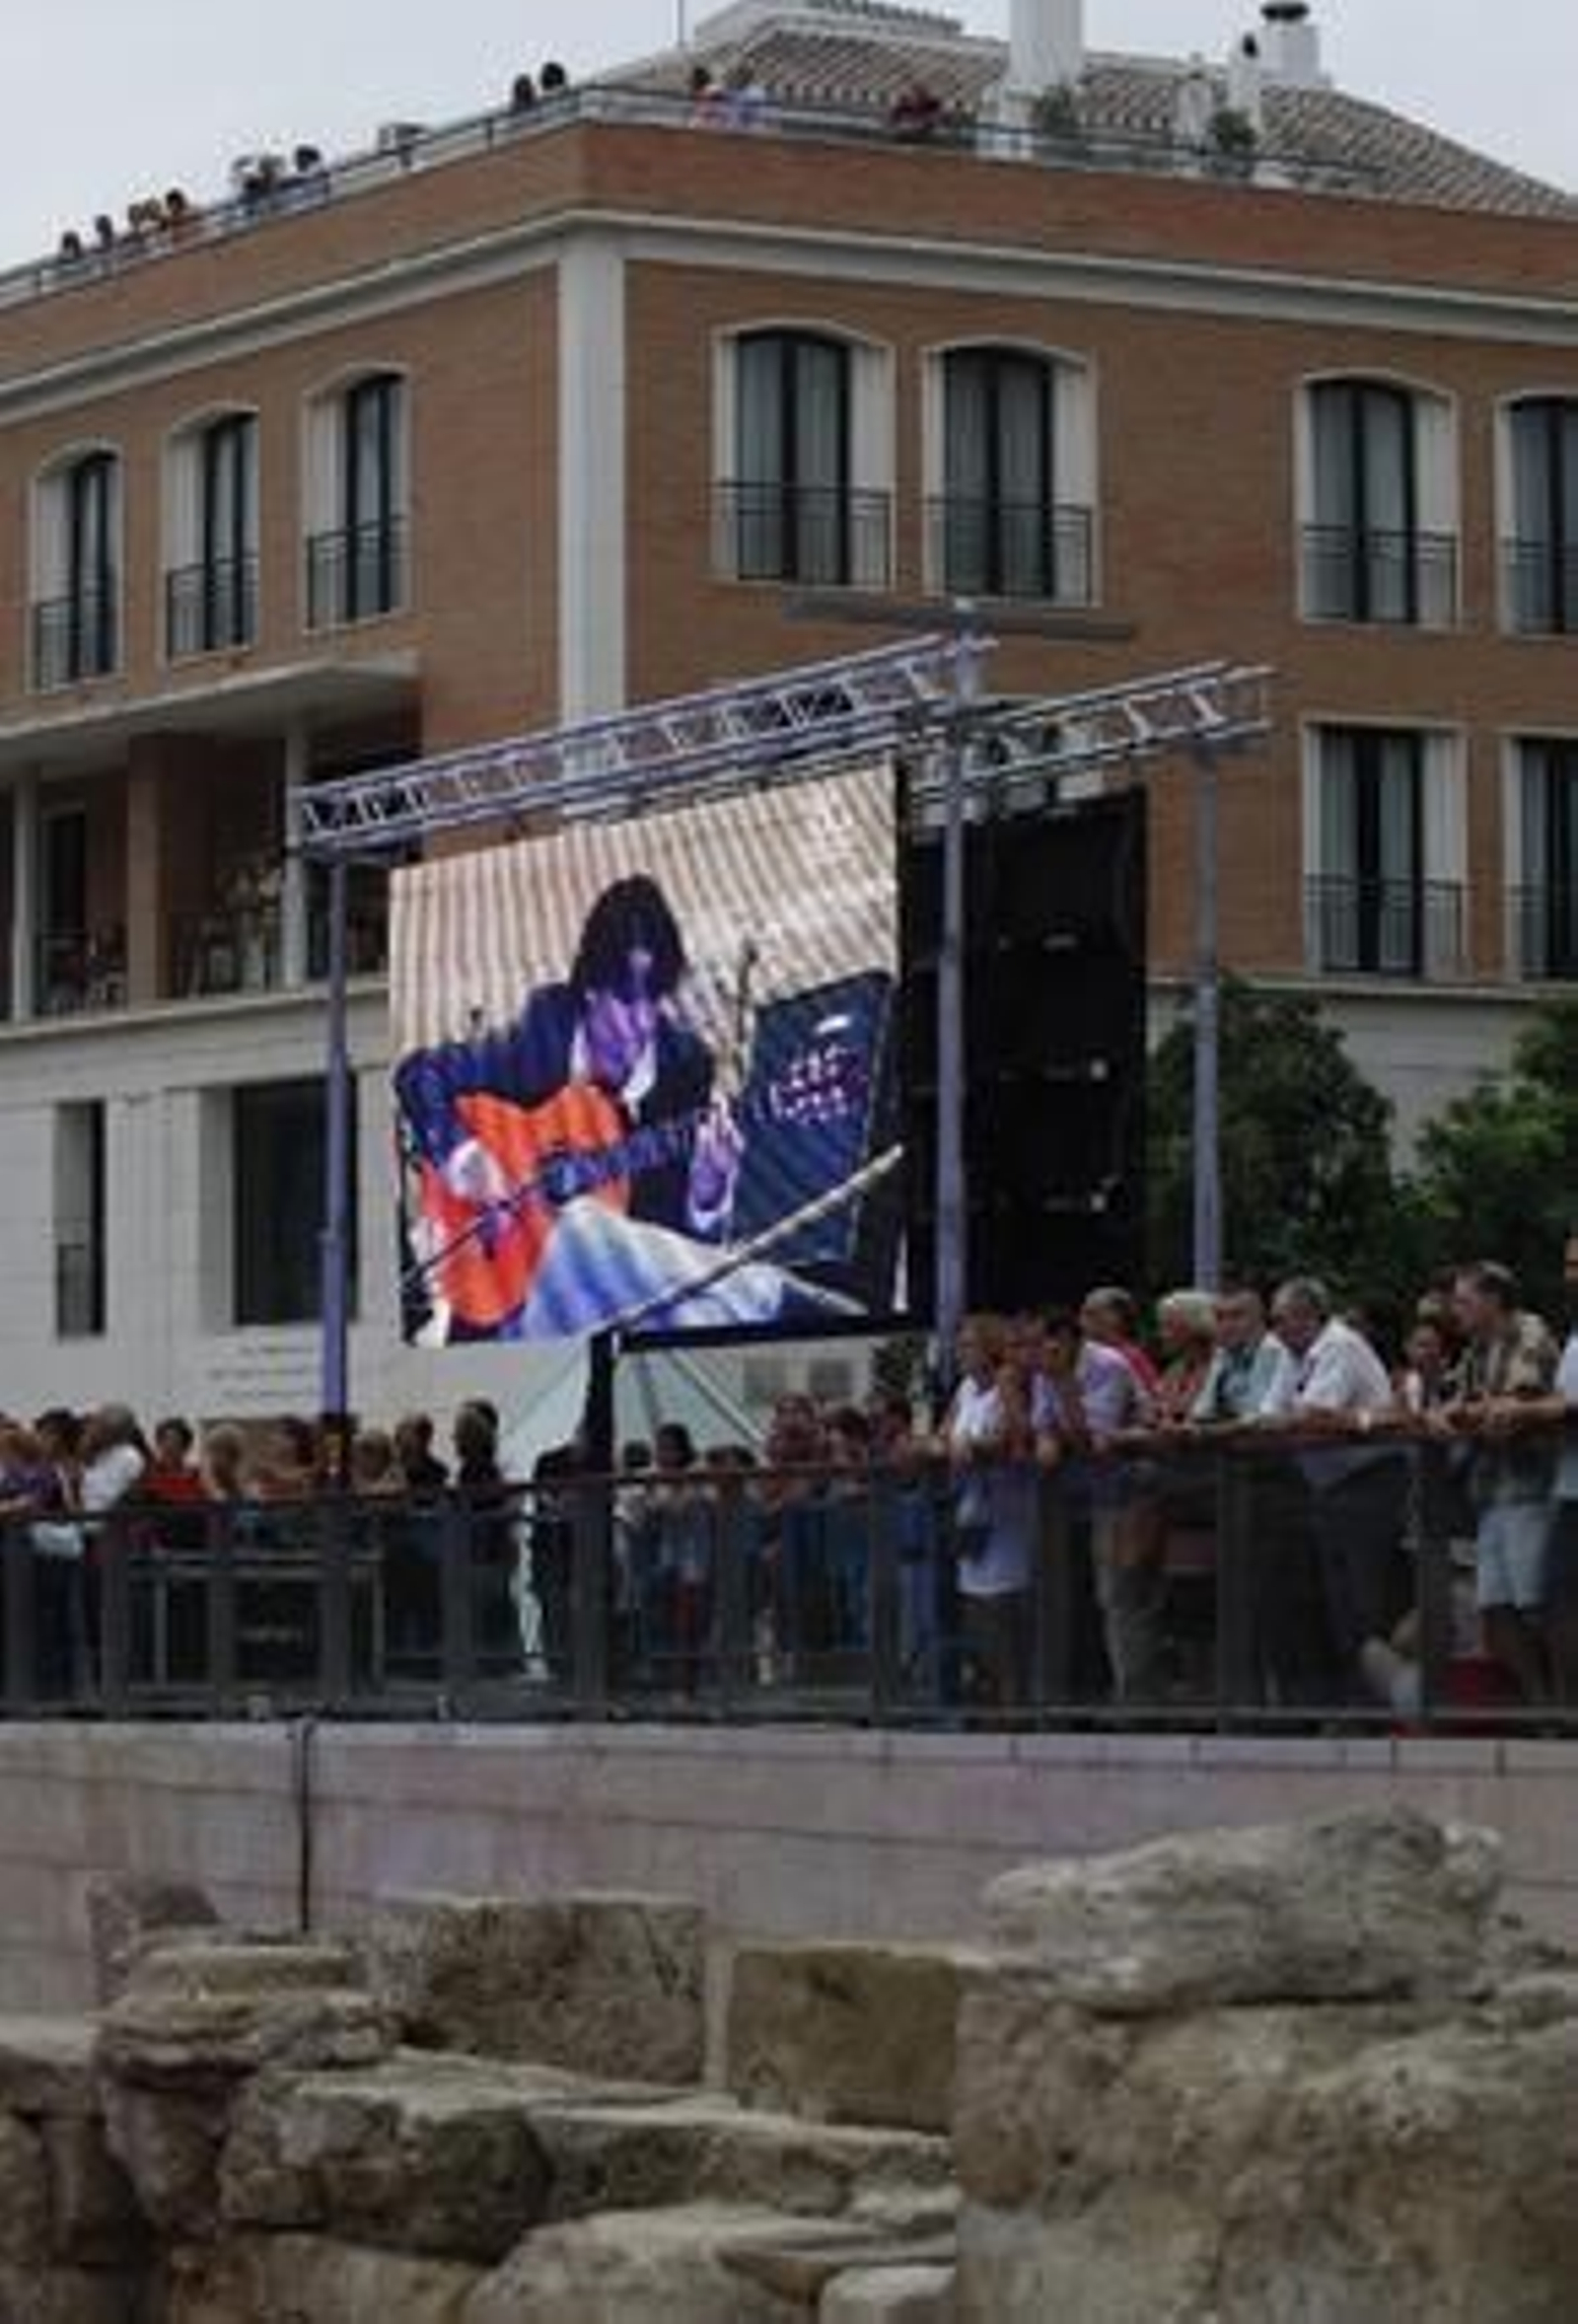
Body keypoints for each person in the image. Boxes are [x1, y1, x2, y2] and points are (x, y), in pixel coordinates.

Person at [395, 875, 741, 1340]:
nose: (643, 1023)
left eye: (655, 1000)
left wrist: (705, 1197)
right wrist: (468, 1161)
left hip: (619, 1307)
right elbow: (419, 1076)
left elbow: (672, 1252)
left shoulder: (685, 1069)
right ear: (591, 990)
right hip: (504, 1285)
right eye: (626, 1001)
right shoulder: (544, 1034)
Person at [1261, 1277, 1406, 1697]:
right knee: (1336, 1602)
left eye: (1280, 1320)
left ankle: (1374, 1705)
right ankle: (1352, 1702)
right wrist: (1289, 1421)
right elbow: (1269, 1415)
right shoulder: (1296, 1352)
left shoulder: (1339, 1344)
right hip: (1329, 1487)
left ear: (1307, 1317)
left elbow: (1313, 1414)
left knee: (1364, 1601)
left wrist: (1294, 1421)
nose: (1275, 1330)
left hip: (1369, 1481)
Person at [1446, 1261, 1559, 1700]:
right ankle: (1540, 1703)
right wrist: (1464, 1413)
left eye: (1464, 1300)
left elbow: (1515, 1403)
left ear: (1493, 1299)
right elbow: (1452, 1408)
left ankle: (1565, 1701)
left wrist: (1467, 1414)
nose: (1456, 1310)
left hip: (1531, 1488)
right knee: (1494, 1607)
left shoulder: (1528, 1330)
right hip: (1491, 1492)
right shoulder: (1476, 1348)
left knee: (1535, 1603)